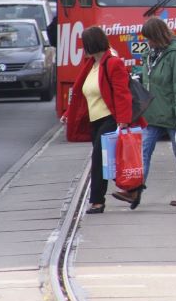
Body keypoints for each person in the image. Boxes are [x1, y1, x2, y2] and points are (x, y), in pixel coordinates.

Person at [112, 16, 176, 207]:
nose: (147, 42)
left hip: (175, 116)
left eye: (150, 38)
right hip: (153, 114)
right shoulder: (153, 53)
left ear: (159, 36)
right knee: (141, 153)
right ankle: (133, 190)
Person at [61, 26, 146, 214]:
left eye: (85, 44)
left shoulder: (113, 63)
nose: (83, 47)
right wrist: (68, 113)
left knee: (99, 160)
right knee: (109, 160)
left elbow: (122, 93)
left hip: (111, 118)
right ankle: (133, 189)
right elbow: (81, 94)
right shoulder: (90, 65)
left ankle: (97, 202)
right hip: (96, 120)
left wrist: (123, 120)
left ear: (91, 44)